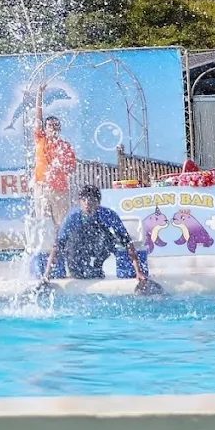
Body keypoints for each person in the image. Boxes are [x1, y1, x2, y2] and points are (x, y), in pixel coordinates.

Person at [41, 184, 161, 294]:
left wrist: (138, 272)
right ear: (80, 202)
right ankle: (84, 267)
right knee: (79, 274)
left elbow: (128, 243)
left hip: (98, 246)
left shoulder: (108, 215)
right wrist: (47, 274)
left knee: (109, 237)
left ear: (98, 203)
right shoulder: (72, 217)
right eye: (84, 200)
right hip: (77, 248)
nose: (88, 204)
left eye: (91, 200)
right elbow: (57, 246)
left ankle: (98, 265)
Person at [33, 100, 77, 229]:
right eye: (50, 125)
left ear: (60, 129)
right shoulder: (40, 139)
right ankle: (46, 247)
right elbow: (38, 119)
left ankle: (61, 247)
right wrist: (39, 94)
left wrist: (61, 167)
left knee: (61, 222)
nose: (53, 128)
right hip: (41, 186)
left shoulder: (65, 146)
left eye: (56, 125)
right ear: (45, 129)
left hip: (60, 189)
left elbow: (72, 168)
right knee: (42, 221)